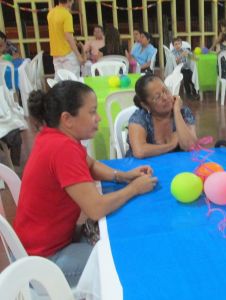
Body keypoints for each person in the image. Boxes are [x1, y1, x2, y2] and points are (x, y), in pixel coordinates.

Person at [14, 81, 157, 287]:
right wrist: (134, 189)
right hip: (43, 263)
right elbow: (96, 208)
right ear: (67, 119)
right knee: (124, 263)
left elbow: (90, 165)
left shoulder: (55, 137)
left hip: (44, 244)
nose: (98, 118)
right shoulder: (63, 149)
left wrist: (124, 176)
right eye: (91, 112)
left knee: (118, 238)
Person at [126, 75, 197, 158]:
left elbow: (191, 146)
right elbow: (140, 151)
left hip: (176, 166)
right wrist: (171, 145)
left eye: (165, 91)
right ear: (145, 105)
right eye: (157, 97)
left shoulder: (183, 112)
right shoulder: (140, 118)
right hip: (143, 168)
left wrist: (177, 111)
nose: (165, 97)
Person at [47, 0, 84, 77]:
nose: (73, 2)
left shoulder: (51, 13)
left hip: (56, 54)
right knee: (73, 81)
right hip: (67, 53)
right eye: (72, 1)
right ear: (68, 1)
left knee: (61, 82)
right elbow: (68, 37)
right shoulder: (66, 15)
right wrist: (79, 56)